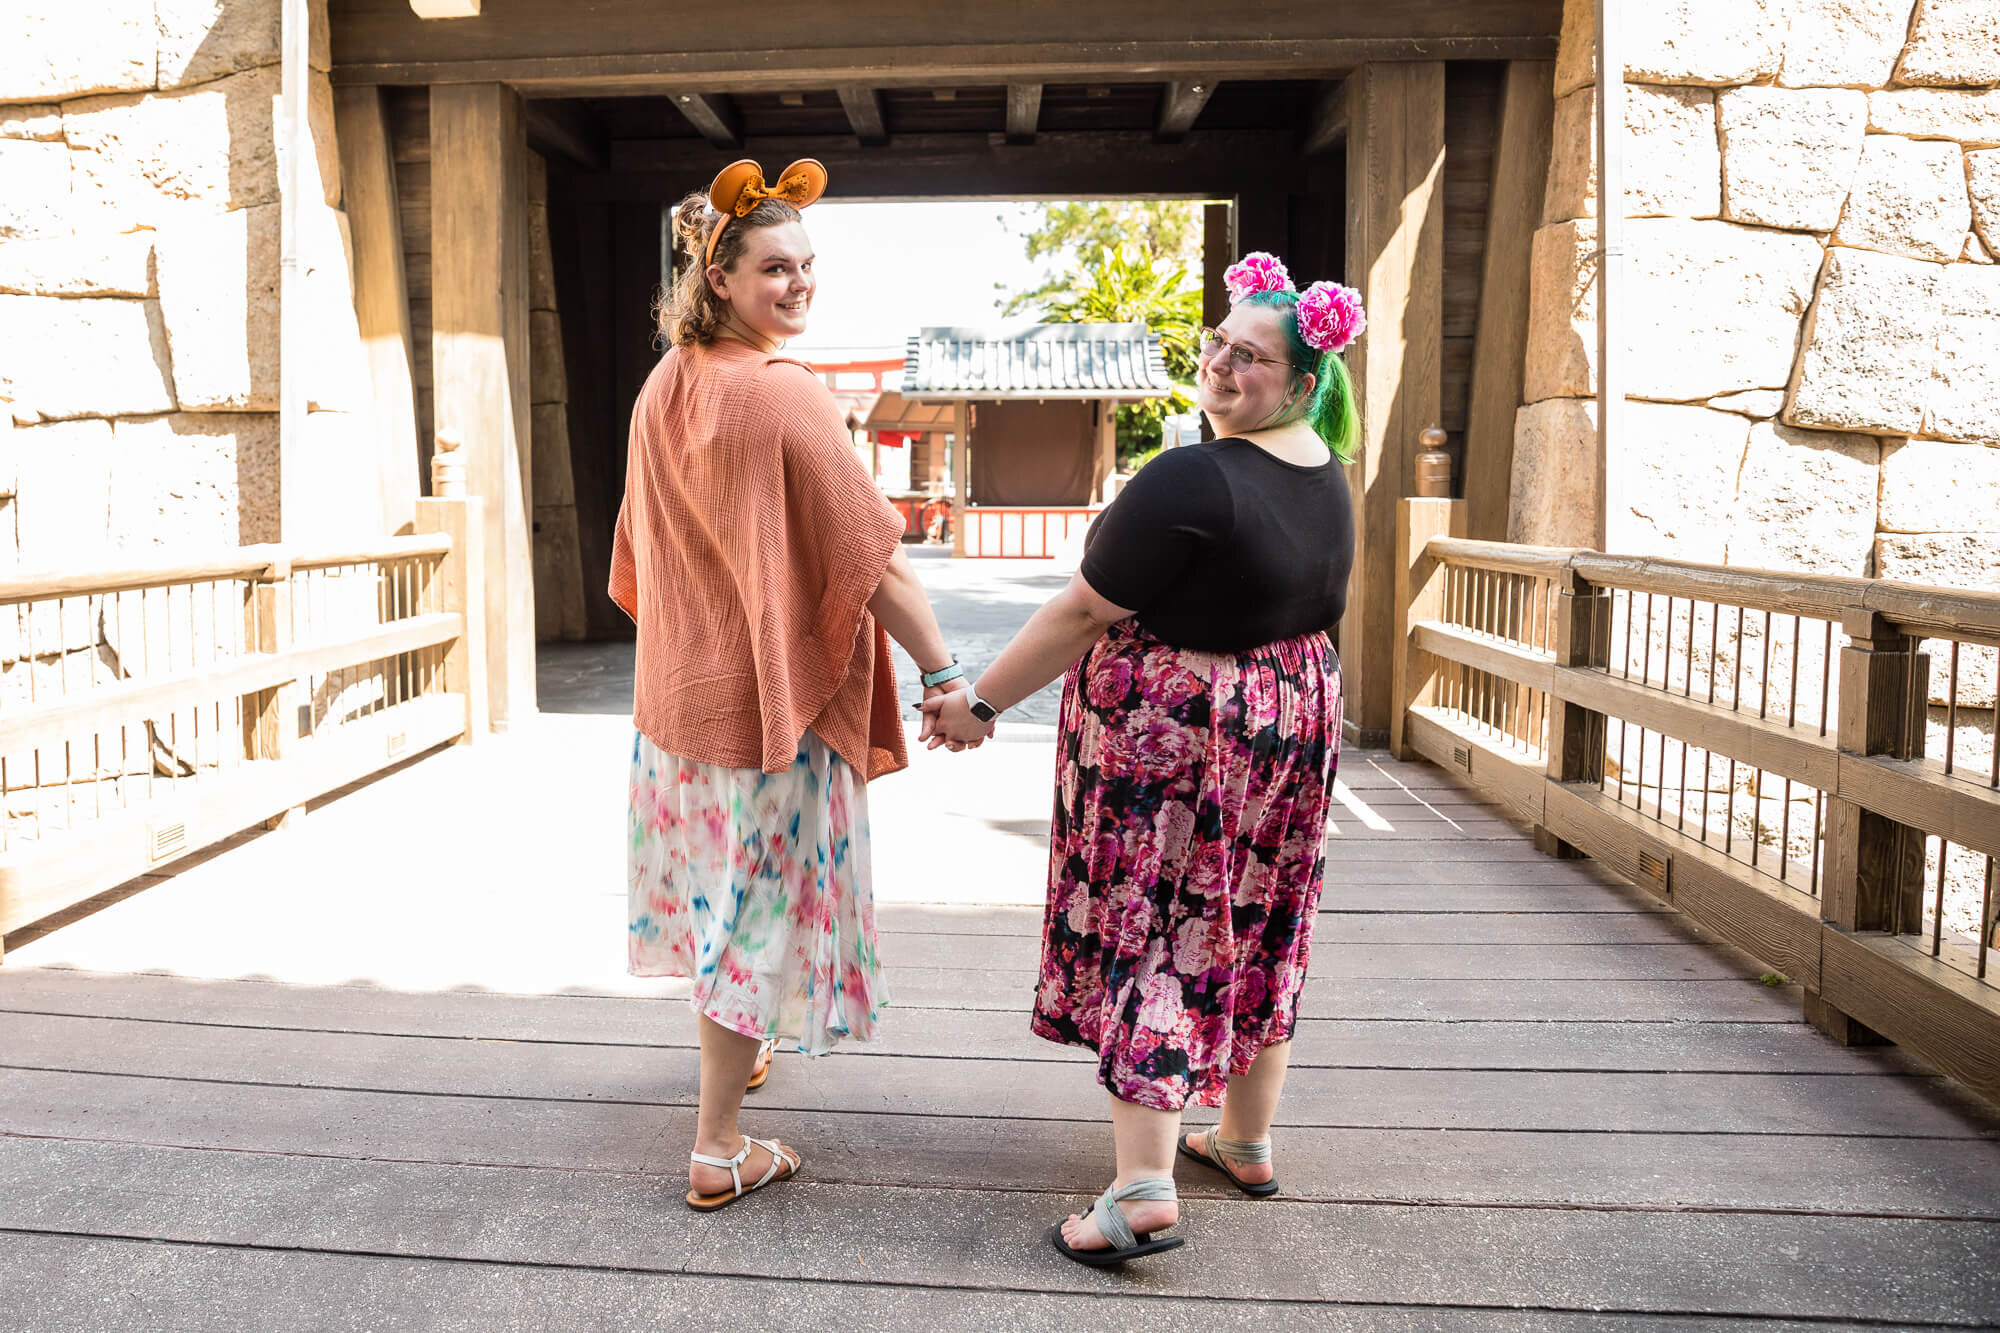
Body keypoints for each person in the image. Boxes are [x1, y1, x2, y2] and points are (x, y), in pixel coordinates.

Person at [923, 252, 1362, 1265]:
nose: (1219, 364)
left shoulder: (1189, 476)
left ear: (1302, 382)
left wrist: (980, 701)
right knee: (1257, 910)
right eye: (1218, 344)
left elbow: (1080, 609)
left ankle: (1138, 1188)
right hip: (1287, 713)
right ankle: (1243, 1138)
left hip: (1182, 730)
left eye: (1249, 358)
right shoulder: (1322, 475)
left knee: (1160, 919)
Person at [610, 158, 973, 1213]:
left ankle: (743, 1051)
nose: (799, 284)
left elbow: (639, 558)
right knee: (752, 915)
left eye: (808, 265)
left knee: (720, 898)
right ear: (718, 278)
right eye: (776, 268)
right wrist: (946, 672)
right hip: (761, 715)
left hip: (678, 702)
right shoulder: (781, 395)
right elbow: (879, 558)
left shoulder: (662, 384)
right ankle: (718, 1144)